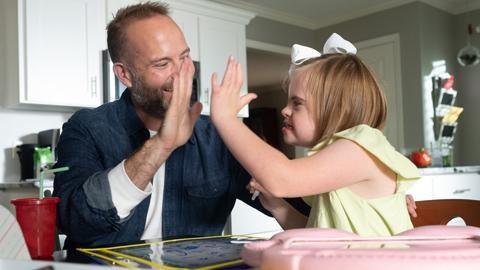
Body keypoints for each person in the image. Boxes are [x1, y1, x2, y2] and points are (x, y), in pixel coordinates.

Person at [52, 2, 280, 249]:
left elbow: (290, 204)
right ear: (124, 75)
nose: (182, 74)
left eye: (184, 57)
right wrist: (162, 145)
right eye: (162, 64)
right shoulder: (86, 128)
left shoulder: (218, 135)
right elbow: (73, 221)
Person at [209, 33, 420, 236]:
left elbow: (282, 178)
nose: (285, 110)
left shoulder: (359, 147)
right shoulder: (335, 164)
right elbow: (316, 235)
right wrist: (279, 208)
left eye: (297, 103)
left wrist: (226, 119)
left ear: (337, 109)